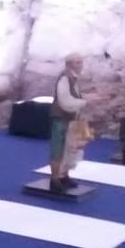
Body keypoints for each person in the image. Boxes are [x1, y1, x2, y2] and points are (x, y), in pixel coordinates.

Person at [48, 54, 95, 191]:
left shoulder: (73, 78)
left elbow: (73, 96)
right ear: (69, 64)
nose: (80, 65)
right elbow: (65, 100)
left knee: (69, 148)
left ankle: (63, 175)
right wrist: (85, 101)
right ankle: (55, 179)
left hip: (71, 118)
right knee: (58, 148)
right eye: (76, 62)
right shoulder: (65, 78)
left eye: (81, 62)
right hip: (61, 118)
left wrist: (85, 99)